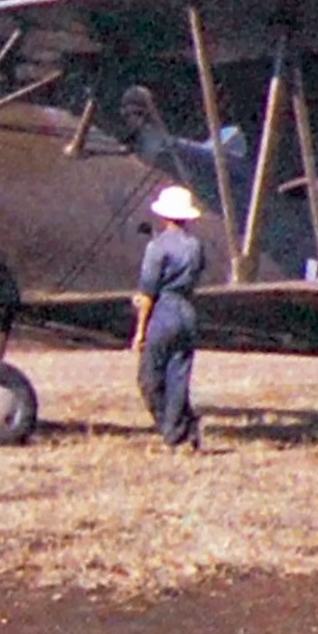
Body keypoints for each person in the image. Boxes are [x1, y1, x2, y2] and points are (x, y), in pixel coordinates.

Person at [131, 184, 207, 449]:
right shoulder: (195, 246)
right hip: (187, 311)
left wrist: (140, 330)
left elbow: (148, 292)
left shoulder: (157, 247)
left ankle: (172, 432)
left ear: (164, 216)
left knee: (149, 378)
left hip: (163, 312)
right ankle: (186, 432)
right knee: (178, 378)